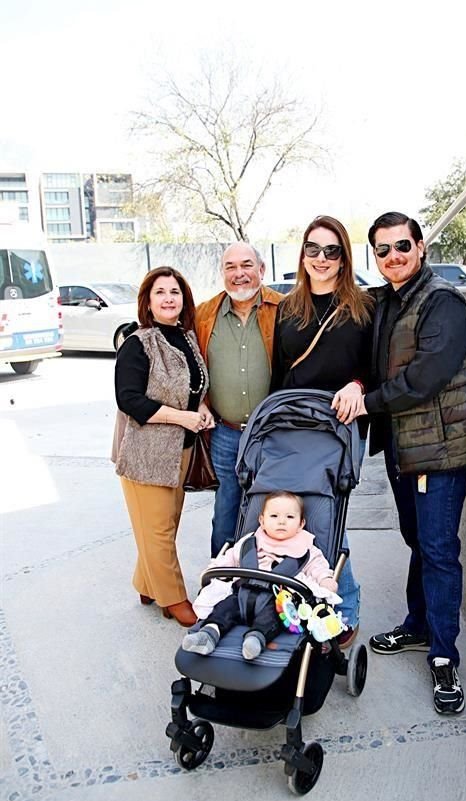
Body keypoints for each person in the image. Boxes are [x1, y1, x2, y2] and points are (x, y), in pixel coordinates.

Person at [354, 211, 466, 714]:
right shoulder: (386, 301)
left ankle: (444, 655)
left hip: (440, 452)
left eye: (401, 245)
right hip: (404, 450)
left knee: (437, 549)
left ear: (421, 246)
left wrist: (367, 402)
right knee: (417, 541)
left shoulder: (443, 303)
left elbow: (425, 378)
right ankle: (416, 625)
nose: (393, 257)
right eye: (382, 250)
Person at [270, 214, 373, 646]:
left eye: (332, 251)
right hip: (293, 428)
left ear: (344, 257)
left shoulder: (364, 308)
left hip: (340, 426)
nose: (322, 258)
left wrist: (359, 384)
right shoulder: (287, 308)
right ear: (303, 253)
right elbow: (278, 373)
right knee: (294, 514)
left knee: (329, 514)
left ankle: (343, 607)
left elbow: (376, 366)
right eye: (313, 249)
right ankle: (297, 598)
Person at [112, 266, 214, 627]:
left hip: (181, 452)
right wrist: (181, 418)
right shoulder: (138, 343)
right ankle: (173, 598)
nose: (169, 298)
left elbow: (192, 387)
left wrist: (199, 408)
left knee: (164, 526)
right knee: (157, 531)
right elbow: (129, 400)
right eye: (160, 292)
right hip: (146, 456)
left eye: (175, 291)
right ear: (148, 301)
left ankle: (146, 582)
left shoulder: (185, 338)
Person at [195, 244, 284, 558]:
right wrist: (200, 402)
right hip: (225, 433)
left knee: (274, 514)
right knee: (226, 515)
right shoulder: (204, 314)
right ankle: (220, 585)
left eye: (246, 265)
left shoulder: (283, 309)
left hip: (273, 435)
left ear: (261, 270)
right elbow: (189, 364)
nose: (239, 274)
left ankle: (264, 586)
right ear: (222, 273)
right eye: (230, 267)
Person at [182, 491, 337, 659]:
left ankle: (255, 639)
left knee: (273, 618)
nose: (281, 521)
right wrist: (214, 569)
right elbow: (230, 558)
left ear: (301, 524)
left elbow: (318, 567)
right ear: (262, 521)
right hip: (242, 595)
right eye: (274, 516)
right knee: (224, 608)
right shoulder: (250, 542)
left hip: (278, 601)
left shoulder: (305, 550)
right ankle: (209, 633)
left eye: (290, 517)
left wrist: (326, 580)